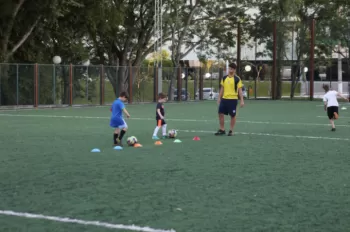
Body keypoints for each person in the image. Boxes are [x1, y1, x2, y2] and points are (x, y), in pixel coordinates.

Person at [215, 63, 244, 136]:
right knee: (220, 113)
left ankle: (231, 130)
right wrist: (219, 98)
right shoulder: (224, 78)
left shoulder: (237, 79)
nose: (230, 70)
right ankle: (222, 129)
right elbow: (222, 88)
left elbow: (240, 90)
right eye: (229, 68)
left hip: (233, 100)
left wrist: (242, 100)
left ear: (234, 70)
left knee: (233, 115)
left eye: (232, 69)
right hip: (224, 99)